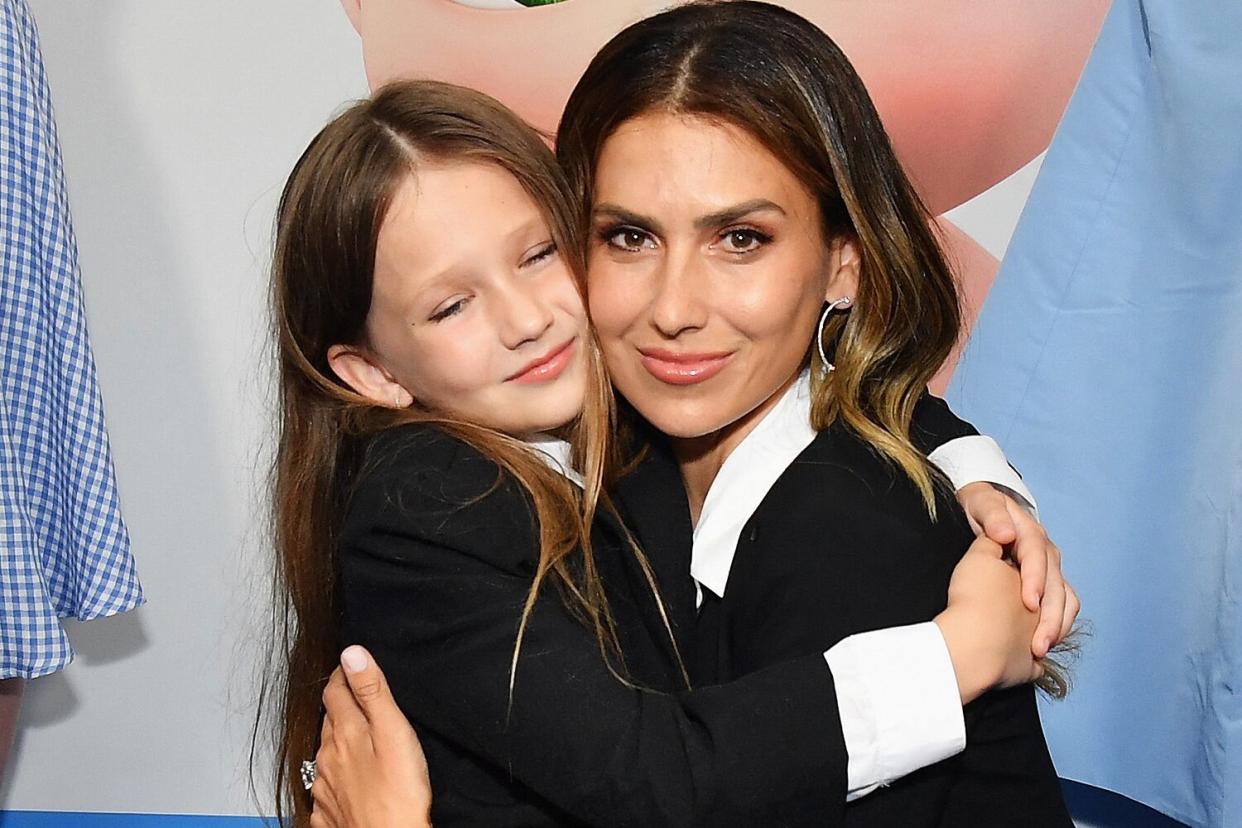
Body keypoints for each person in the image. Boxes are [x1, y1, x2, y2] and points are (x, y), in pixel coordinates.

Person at [272, 76, 1068, 826]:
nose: (525, 320)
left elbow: (857, 394)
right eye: (451, 306)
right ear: (371, 372)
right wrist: (955, 658)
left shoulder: (618, 404)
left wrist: (979, 475)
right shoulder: (422, 503)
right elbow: (649, 776)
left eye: (539, 253)